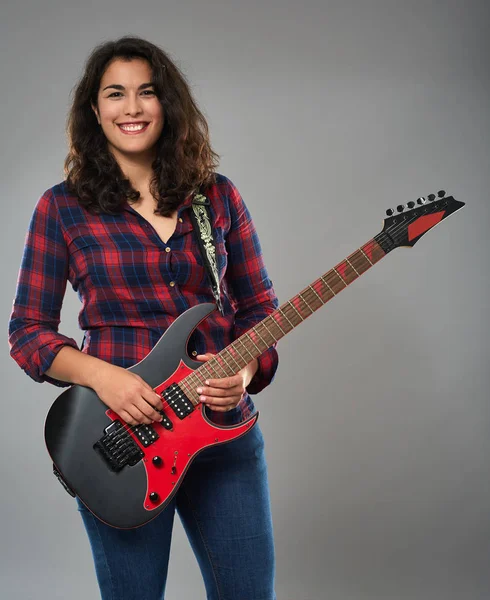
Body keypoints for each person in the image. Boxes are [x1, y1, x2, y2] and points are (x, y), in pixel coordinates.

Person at [8, 36, 279, 600]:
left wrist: (246, 374)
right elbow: (27, 332)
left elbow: (259, 312)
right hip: (120, 443)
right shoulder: (61, 207)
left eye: (146, 93)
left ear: (168, 105)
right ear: (95, 110)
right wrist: (104, 377)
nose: (131, 108)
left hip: (221, 438)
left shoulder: (217, 199)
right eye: (115, 94)